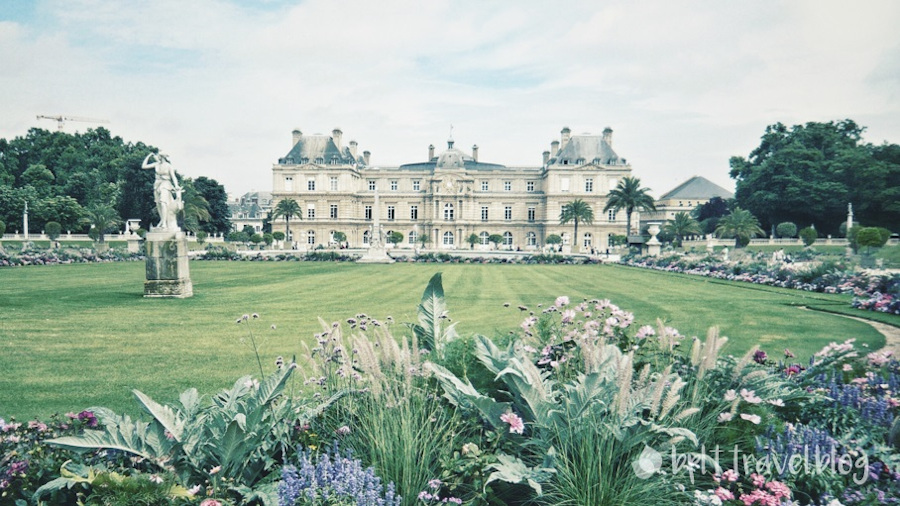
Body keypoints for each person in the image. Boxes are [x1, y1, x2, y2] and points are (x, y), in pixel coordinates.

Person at [142, 153, 183, 231]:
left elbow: (173, 176)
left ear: (162, 157)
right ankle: (162, 220)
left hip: (166, 184)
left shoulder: (168, 166)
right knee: (158, 204)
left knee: (163, 202)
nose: (157, 157)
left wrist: (176, 185)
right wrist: (148, 156)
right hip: (157, 184)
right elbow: (143, 166)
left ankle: (164, 223)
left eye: (158, 156)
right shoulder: (156, 164)